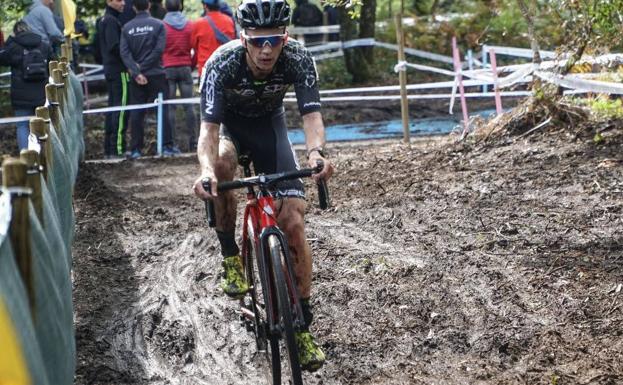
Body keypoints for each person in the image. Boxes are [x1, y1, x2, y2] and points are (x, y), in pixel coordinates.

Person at [192, 0, 334, 372]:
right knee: (222, 165)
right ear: (243, 39)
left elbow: (312, 116)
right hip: (229, 131)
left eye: (274, 40)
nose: (267, 50)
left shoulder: (298, 58)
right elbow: (207, 133)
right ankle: (229, 256)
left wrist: (316, 154)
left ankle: (301, 325)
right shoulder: (221, 64)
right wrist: (206, 171)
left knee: (293, 223)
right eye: (258, 42)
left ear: (285, 37)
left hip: (270, 130)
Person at [120, 0, 178, 158]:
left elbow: (124, 54)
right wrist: (143, 68)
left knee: (137, 112)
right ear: (149, 6)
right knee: (162, 110)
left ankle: (136, 149)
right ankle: (166, 146)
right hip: (156, 74)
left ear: (133, 7)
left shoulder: (127, 27)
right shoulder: (158, 25)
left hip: (137, 76)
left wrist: (136, 71)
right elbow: (159, 49)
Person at [0, 21, 55, 151]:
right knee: (44, 124)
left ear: (15, 32)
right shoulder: (44, 45)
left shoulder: (13, 47)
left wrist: (8, 42)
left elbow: (2, 59)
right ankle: (44, 155)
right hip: (42, 93)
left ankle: (27, 160)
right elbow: (53, 62)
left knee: (22, 126)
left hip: (20, 96)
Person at [99, 0, 131, 158]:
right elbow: (115, 47)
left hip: (110, 70)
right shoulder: (111, 21)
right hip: (119, 72)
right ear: (109, 1)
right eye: (119, 0)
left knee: (112, 109)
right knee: (121, 108)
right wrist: (130, 63)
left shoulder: (105, 20)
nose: (123, 3)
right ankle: (117, 149)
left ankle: (109, 149)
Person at [163, 0, 196, 151]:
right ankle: (194, 142)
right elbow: (194, 47)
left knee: (170, 107)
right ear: (181, 6)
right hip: (185, 66)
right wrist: (191, 64)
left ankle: (172, 143)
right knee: (189, 106)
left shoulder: (162, 26)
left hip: (168, 67)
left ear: (165, 7)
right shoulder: (189, 25)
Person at [191, 0, 235, 76]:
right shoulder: (229, 21)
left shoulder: (198, 24)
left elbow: (193, 45)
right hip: (224, 66)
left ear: (205, 6)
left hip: (205, 68)